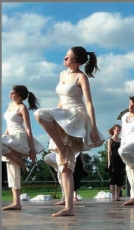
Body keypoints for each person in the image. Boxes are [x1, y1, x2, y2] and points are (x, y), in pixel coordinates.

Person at [34, 46, 105, 217]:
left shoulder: (81, 77)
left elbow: (89, 103)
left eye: (68, 57)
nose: (64, 58)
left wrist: (93, 128)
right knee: (64, 167)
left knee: (39, 113)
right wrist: (57, 121)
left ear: (77, 62)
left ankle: (62, 149)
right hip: (63, 116)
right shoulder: (62, 75)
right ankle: (69, 207)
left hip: (76, 117)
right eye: (65, 56)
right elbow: (60, 101)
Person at [2, 85, 45, 210]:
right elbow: (8, 126)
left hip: (19, 137)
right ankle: (17, 203)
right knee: (11, 169)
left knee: (13, 166)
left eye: (12, 93)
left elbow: (28, 129)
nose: (10, 94)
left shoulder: (22, 108)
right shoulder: (10, 105)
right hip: (10, 136)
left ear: (19, 95)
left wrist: (32, 149)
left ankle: (18, 160)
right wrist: (3, 138)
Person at [107, 124, 126, 201]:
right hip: (113, 160)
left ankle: (118, 196)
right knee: (113, 179)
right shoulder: (110, 140)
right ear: (113, 130)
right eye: (117, 130)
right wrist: (109, 162)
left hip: (120, 160)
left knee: (120, 179)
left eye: (119, 130)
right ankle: (113, 196)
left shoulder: (121, 140)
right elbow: (109, 151)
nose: (118, 132)